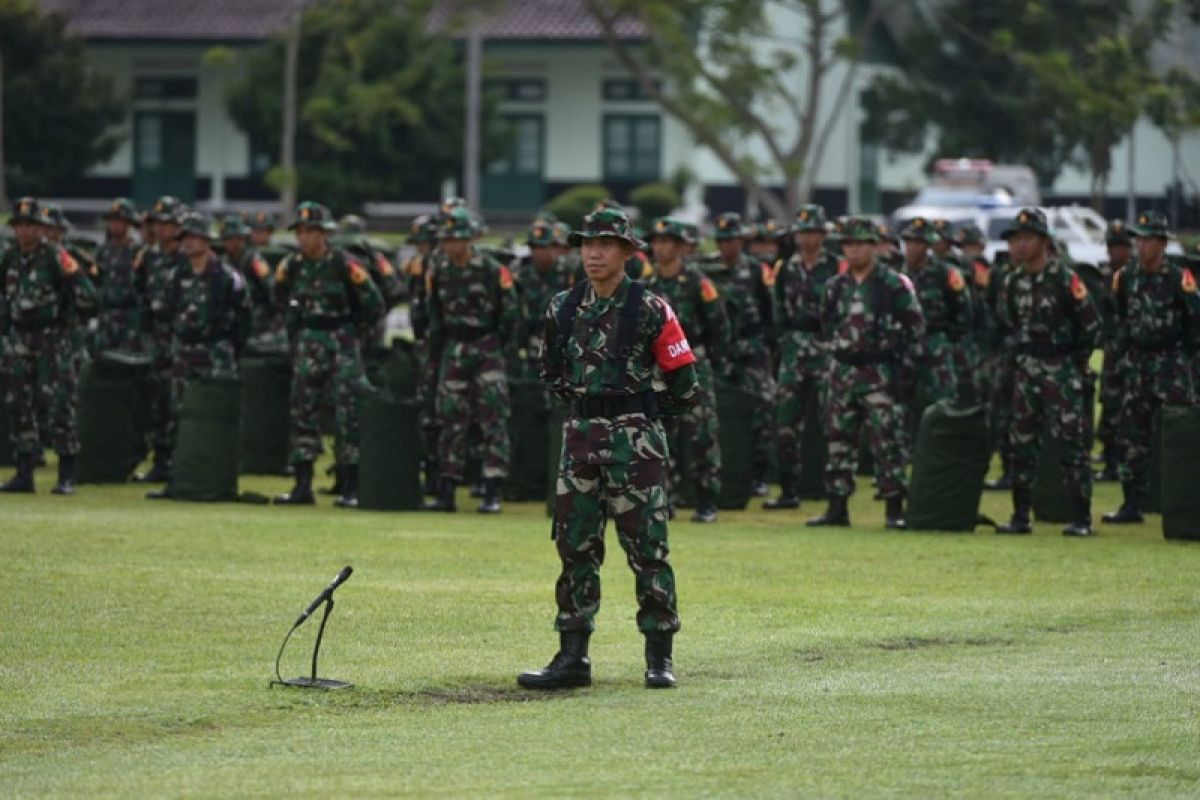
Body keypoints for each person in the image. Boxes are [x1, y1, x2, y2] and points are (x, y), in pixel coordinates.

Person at [518, 206, 699, 691]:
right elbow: (550, 371)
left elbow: (685, 382)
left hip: (635, 441)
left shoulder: (651, 308)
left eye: (604, 244)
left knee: (648, 550)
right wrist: (589, 407)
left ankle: (659, 658)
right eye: (586, 243)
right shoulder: (563, 306)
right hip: (579, 438)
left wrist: (641, 415)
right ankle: (572, 657)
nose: (593, 253)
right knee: (574, 547)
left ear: (626, 252)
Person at [807, 217, 925, 529]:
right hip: (843, 371)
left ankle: (894, 508)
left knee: (887, 440)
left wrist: (902, 366)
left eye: (859, 243)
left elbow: (915, 326)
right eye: (848, 244)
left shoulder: (892, 283)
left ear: (873, 246)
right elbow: (827, 324)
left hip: (880, 371)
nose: (853, 250)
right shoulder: (836, 286)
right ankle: (837, 507)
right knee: (838, 441)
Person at [995, 208, 1102, 536]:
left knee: (1072, 445)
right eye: (1015, 240)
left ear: (1043, 241)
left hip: (1061, 370)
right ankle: (1020, 516)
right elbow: (1010, 320)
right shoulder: (1013, 281)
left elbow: (1092, 325)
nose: (1019, 246)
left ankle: (1081, 518)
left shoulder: (1064, 278)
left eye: (1026, 239)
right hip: (1027, 371)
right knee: (1021, 444)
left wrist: (1074, 361)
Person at [272, 202, 383, 508]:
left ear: (324, 234)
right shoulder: (292, 266)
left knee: (349, 412)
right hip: (309, 340)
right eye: (301, 232)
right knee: (302, 411)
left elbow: (373, 302)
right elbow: (279, 297)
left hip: (341, 340)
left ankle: (349, 486)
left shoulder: (344, 264)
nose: (305, 238)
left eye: (311, 232)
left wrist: (353, 330)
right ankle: (302, 484)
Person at [1103, 211, 1200, 524]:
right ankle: (1133, 503)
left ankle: (1186, 502)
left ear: (1161, 243)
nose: (1141, 245)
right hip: (1139, 365)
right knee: (1133, 436)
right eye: (1138, 239)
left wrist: (1185, 357)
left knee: (1181, 433)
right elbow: (1118, 318)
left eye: (1147, 240)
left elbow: (1194, 321)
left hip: (1171, 363)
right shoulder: (1126, 277)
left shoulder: (1178, 278)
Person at [146, 213, 251, 499]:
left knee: (216, 415)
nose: (189, 244)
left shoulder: (228, 277)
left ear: (207, 241)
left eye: (194, 238)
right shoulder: (175, 276)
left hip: (217, 351)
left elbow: (244, 318)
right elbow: (164, 314)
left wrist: (230, 348)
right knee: (178, 415)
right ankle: (177, 478)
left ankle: (216, 480)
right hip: (184, 352)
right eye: (185, 239)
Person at [422, 207, 518, 514]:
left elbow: (511, 314)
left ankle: (492, 490)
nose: (449, 245)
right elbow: (434, 313)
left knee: (493, 417)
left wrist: (499, 347)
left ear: (469, 239)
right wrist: (435, 354)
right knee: (450, 418)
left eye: (455, 238)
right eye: (446, 239)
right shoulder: (438, 270)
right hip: (454, 346)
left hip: (486, 344)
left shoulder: (491, 269)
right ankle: (447, 489)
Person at [0, 198, 98, 494]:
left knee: (58, 405)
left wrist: (67, 322)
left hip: (51, 340)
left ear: (41, 229)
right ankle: (24, 472)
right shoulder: (10, 257)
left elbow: (88, 294)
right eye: (21, 226)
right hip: (19, 339)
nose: (26, 231)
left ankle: (66, 474)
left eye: (31, 225)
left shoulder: (56, 256)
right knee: (19, 404)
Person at [646, 216, 729, 523]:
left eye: (667, 241)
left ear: (680, 247)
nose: (661, 247)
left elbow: (719, 326)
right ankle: (666, 498)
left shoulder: (698, 282)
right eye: (657, 241)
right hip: (657, 369)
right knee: (660, 434)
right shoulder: (648, 285)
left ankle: (707, 500)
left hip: (692, 365)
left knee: (703, 433)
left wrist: (709, 362)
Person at [765, 204, 839, 510]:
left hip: (825, 347)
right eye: (803, 233)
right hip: (794, 349)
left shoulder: (836, 267)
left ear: (822, 236)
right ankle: (789, 490)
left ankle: (833, 490)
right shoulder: (786, 269)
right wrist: (784, 342)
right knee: (786, 422)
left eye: (813, 233)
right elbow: (778, 310)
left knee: (832, 421)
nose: (808, 239)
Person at [137, 195, 188, 484]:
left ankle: (181, 459)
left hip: (181, 338)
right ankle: (160, 459)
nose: (163, 229)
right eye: (159, 224)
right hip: (156, 336)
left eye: (169, 223)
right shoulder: (148, 257)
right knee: (157, 401)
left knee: (179, 401)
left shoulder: (188, 257)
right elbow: (140, 292)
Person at [1094, 220, 1134, 483]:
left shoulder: (1136, 277)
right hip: (1112, 352)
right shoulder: (1104, 278)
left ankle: (1127, 464)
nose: (1116, 251)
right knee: (1109, 407)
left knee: (1130, 410)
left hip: (1133, 354)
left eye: (1121, 246)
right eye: (1112, 246)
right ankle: (1110, 463)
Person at [514, 217, 575, 378]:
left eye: (543, 246)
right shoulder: (522, 274)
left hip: (564, 341)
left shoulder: (569, 271)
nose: (538, 252)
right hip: (533, 343)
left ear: (553, 247)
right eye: (533, 247)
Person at [93, 198, 147, 354]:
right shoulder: (102, 251)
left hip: (130, 319)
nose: (115, 225)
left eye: (120, 221)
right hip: (106, 318)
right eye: (112, 221)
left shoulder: (139, 252)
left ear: (129, 224)